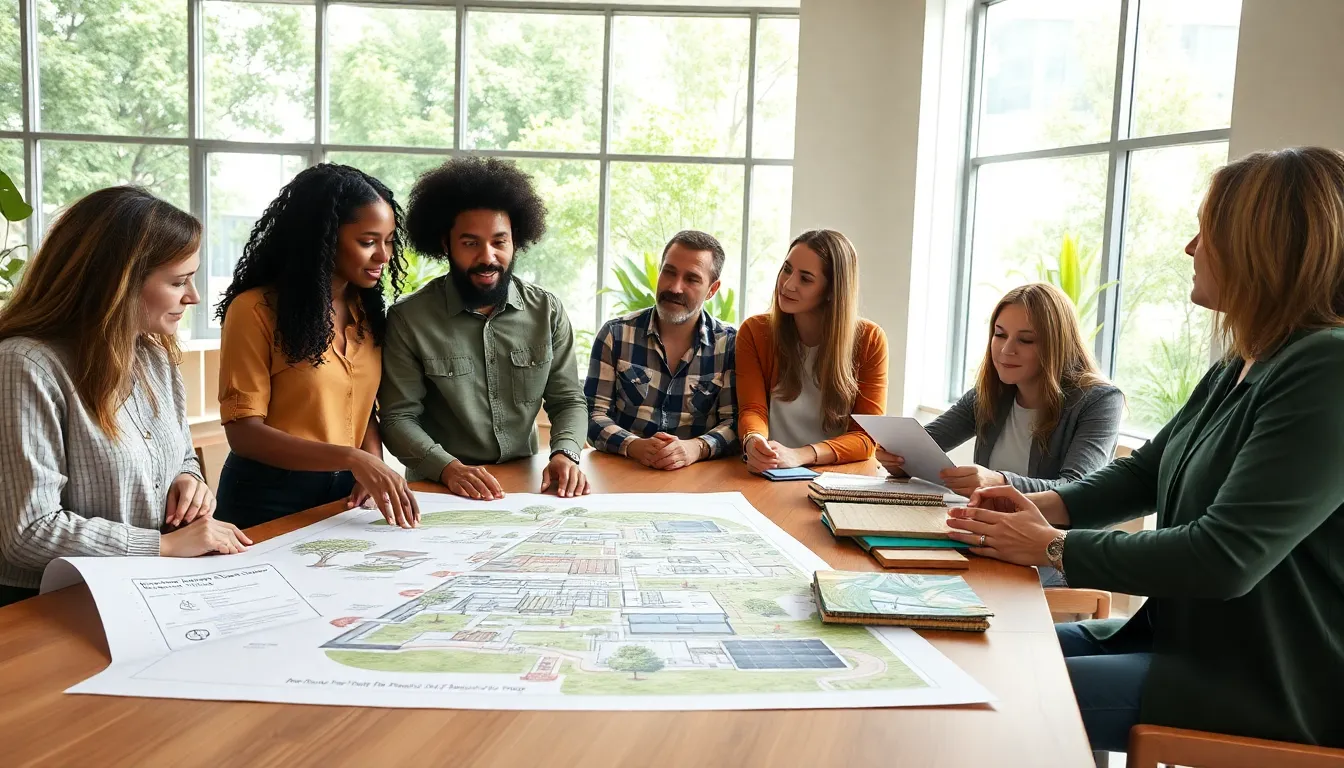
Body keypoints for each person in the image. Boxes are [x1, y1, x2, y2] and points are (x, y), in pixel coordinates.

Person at [945, 147, 1344, 751]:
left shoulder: (1326, 368)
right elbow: (1145, 473)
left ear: (1259, 249)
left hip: (1261, 679)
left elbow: (1224, 556)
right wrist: (1043, 508)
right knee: (971, 655)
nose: (1190, 248)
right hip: (1176, 641)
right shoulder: (1240, 363)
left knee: (992, 691)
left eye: (1205, 233)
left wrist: (1053, 545)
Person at [0, 187, 251, 608]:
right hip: (49, 607)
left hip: (142, 592)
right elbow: (29, 532)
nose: (193, 297)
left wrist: (191, 483)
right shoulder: (24, 365)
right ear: (116, 282)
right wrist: (164, 546)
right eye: (178, 282)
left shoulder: (154, 356)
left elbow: (182, 457)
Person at [214, 164, 419, 530]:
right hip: (266, 496)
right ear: (322, 238)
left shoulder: (367, 312)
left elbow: (363, 408)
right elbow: (243, 434)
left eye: (389, 241)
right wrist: (355, 459)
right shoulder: (254, 311)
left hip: (345, 492)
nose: (384, 256)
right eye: (368, 241)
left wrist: (371, 464)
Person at [877, 283, 1123, 586]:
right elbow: (925, 442)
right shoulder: (990, 393)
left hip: (1050, 553)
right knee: (893, 567)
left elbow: (1077, 488)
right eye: (1000, 334)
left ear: (1056, 344)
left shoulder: (1099, 400)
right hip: (984, 538)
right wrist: (898, 457)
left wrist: (1001, 482)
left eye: (1027, 340)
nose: (1006, 350)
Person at [380, 157, 590, 500]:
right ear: (446, 244)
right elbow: (397, 418)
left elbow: (568, 400)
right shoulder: (409, 319)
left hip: (526, 487)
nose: (487, 256)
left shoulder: (547, 311)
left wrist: (566, 453)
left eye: (499, 241)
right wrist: (448, 469)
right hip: (440, 488)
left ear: (516, 241)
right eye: (470, 242)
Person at [737, 229, 888, 472]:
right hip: (772, 470)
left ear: (831, 291)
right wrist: (754, 440)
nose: (787, 284)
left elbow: (866, 438)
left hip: (837, 474)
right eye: (786, 269)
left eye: (805, 279)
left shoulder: (870, 340)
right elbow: (752, 410)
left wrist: (801, 455)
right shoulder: (756, 332)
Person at [585, 230, 737, 470]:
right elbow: (591, 415)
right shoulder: (615, 335)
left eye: (692, 279)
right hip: (625, 470)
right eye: (669, 272)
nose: (675, 287)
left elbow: (734, 423)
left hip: (697, 477)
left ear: (712, 289)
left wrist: (695, 448)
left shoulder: (729, 345)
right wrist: (635, 446)